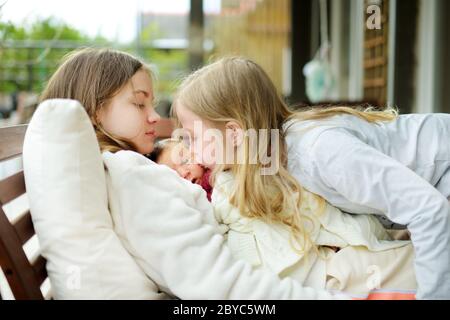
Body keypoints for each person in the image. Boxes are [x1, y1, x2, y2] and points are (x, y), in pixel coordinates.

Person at [39, 48, 347, 300]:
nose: (154, 116)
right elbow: (221, 287)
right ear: (94, 111)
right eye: (138, 102)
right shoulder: (131, 175)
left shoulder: (126, 172)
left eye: (152, 103)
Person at [173, 56, 450, 300]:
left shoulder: (319, 152)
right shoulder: (278, 157)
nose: (192, 152)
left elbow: (430, 212)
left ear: (234, 133)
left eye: (194, 137)